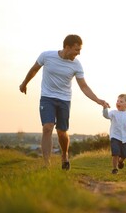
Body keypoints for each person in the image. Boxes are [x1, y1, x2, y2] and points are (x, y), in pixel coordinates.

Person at [19, 34, 110, 170]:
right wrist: (24, 83)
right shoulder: (46, 56)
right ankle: (46, 163)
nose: (78, 53)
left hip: (64, 100)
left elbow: (83, 86)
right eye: (76, 50)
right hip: (47, 97)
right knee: (47, 128)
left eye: (79, 50)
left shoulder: (76, 65)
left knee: (62, 132)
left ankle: (64, 154)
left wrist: (97, 100)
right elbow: (34, 70)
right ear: (67, 47)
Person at [103, 94, 126, 174]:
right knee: (115, 153)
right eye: (117, 101)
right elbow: (106, 115)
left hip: (125, 139)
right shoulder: (113, 113)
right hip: (115, 137)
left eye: (121, 101)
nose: (118, 103)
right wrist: (105, 108)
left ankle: (121, 161)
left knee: (125, 154)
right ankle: (114, 169)